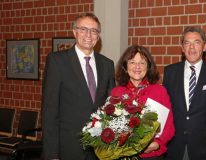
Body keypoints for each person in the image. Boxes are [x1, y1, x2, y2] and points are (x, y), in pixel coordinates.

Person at [42, 13, 115, 160]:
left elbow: (110, 106)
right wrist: (52, 153)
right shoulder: (57, 61)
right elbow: (49, 111)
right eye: (83, 29)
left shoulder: (107, 64)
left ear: (98, 36)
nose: (89, 35)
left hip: (99, 147)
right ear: (74, 32)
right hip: (68, 146)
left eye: (94, 31)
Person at [163, 27, 206, 160]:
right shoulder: (170, 73)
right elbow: (165, 111)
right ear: (182, 47)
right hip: (174, 147)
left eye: (197, 42)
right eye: (187, 43)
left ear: (204, 46)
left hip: (205, 150)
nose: (191, 47)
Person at [110, 45, 175, 160]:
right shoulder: (117, 92)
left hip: (151, 156)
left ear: (148, 66)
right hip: (123, 155)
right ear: (125, 66)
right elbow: (109, 125)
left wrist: (158, 143)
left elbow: (169, 127)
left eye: (142, 63)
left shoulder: (159, 91)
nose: (137, 67)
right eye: (132, 62)